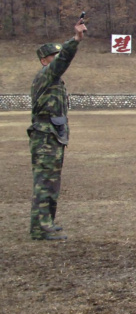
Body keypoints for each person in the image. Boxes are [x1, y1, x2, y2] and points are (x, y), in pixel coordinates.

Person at [28, 18, 87, 241]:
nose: (58, 62)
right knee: (44, 182)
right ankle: (40, 228)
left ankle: (47, 223)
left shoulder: (55, 81)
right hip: (45, 136)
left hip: (53, 135)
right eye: (54, 57)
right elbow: (63, 60)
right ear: (45, 61)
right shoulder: (46, 76)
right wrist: (76, 39)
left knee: (52, 181)